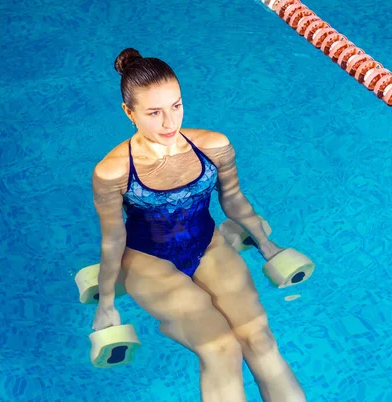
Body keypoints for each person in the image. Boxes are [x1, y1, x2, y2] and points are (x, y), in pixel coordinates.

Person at [91, 48, 306, 402]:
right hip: (149, 260)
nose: (169, 123)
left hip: (207, 244)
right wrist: (107, 303)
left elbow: (233, 199)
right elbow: (112, 239)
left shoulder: (213, 145)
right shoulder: (113, 171)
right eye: (154, 112)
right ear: (128, 113)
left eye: (176, 106)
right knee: (220, 348)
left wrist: (269, 246)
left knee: (260, 339)